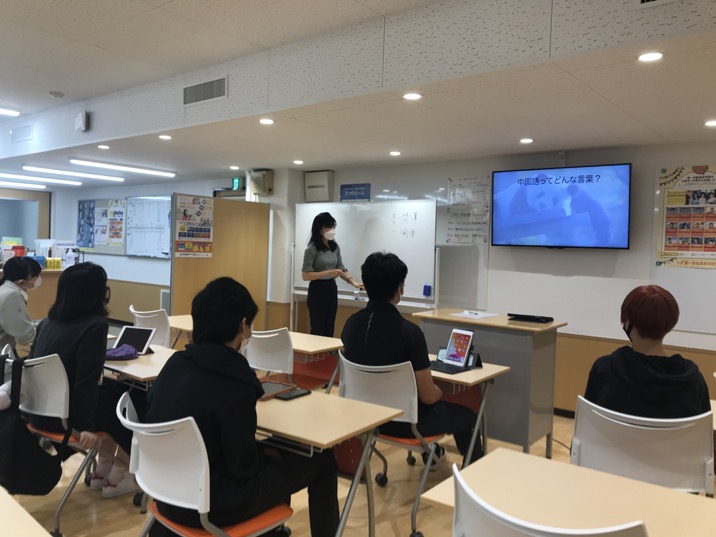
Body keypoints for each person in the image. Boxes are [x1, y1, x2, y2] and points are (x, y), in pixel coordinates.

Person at [144, 277, 339, 536]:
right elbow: (242, 468)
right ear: (243, 325)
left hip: (165, 496)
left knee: (276, 452)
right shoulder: (235, 380)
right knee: (321, 460)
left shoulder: (175, 364)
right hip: (212, 507)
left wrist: (264, 453)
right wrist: (265, 457)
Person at [341, 252, 481, 467]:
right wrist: (441, 392)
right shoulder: (409, 333)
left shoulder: (350, 325)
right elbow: (428, 396)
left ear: (366, 285)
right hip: (406, 424)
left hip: (366, 418)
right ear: (400, 288)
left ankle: (432, 454)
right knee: (468, 416)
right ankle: (474, 478)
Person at [29, 262, 141, 498]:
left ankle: (103, 469)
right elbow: (85, 381)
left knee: (114, 389)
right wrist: (86, 427)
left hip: (38, 411)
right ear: (99, 293)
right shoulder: (95, 325)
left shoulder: (46, 324)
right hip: (67, 419)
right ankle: (122, 473)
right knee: (133, 399)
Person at [584, 285, 710, 418]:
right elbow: (703, 429)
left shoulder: (604, 369)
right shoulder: (693, 380)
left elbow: (586, 424)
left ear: (627, 322)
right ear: (670, 324)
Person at [301, 212, 362, 336]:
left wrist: (353, 282)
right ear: (320, 229)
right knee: (318, 328)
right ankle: (317, 349)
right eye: (329, 227)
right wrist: (328, 272)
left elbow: (341, 268)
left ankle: (328, 349)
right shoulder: (311, 249)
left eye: (334, 227)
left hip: (331, 288)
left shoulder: (335, 247)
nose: (332, 230)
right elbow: (305, 275)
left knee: (329, 326)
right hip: (317, 289)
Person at [0, 256, 42, 354]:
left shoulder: (5, 289)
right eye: (35, 276)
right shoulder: (11, 296)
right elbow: (25, 336)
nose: (38, 278)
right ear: (21, 282)